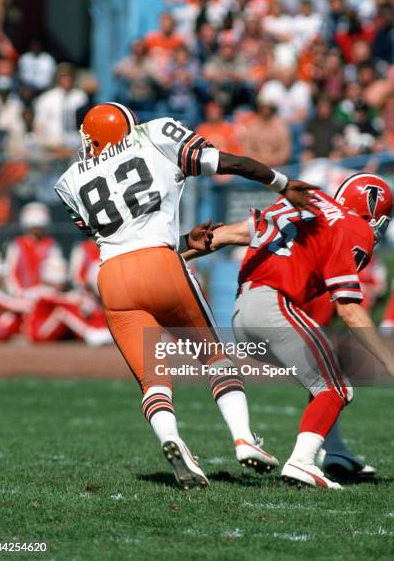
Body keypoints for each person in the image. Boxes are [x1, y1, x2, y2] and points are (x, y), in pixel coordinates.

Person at [54, 102, 314, 489]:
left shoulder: (69, 180)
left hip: (112, 277)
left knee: (152, 379)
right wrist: (281, 182)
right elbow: (231, 164)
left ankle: (172, 439)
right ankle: (244, 439)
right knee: (215, 358)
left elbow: (122, 238)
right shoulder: (154, 134)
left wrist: (182, 243)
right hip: (161, 266)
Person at [206, 173, 393, 488]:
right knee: (337, 387)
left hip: (243, 312)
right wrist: (388, 359)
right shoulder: (353, 226)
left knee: (325, 373)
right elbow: (348, 307)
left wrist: (176, 254)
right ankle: (302, 462)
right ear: (370, 208)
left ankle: (333, 451)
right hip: (274, 304)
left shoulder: (310, 201)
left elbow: (230, 234)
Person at [5, 202, 62, 297]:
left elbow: (56, 270)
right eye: (34, 227)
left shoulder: (51, 244)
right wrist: (16, 292)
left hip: (44, 293)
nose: (37, 230)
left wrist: (49, 291)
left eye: (40, 227)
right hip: (21, 294)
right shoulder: (17, 244)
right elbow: (10, 270)